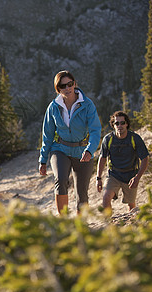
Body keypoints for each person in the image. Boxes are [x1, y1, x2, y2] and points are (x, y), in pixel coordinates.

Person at [39, 70, 102, 215]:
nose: (67, 88)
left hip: (83, 151)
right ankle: (63, 222)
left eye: (70, 84)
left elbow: (95, 130)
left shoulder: (87, 105)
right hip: (60, 149)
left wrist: (89, 150)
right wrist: (42, 160)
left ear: (75, 84)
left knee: (82, 193)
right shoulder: (53, 107)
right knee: (61, 181)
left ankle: (80, 227)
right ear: (58, 89)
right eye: (62, 86)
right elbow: (47, 135)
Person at [96, 111, 149, 212]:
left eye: (122, 123)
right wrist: (98, 178)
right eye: (116, 123)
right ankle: (109, 224)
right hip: (114, 175)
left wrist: (137, 178)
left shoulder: (135, 138)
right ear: (113, 125)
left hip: (131, 175)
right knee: (106, 198)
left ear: (127, 124)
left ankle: (131, 225)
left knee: (131, 205)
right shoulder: (108, 139)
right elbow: (102, 158)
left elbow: (145, 159)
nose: (119, 126)